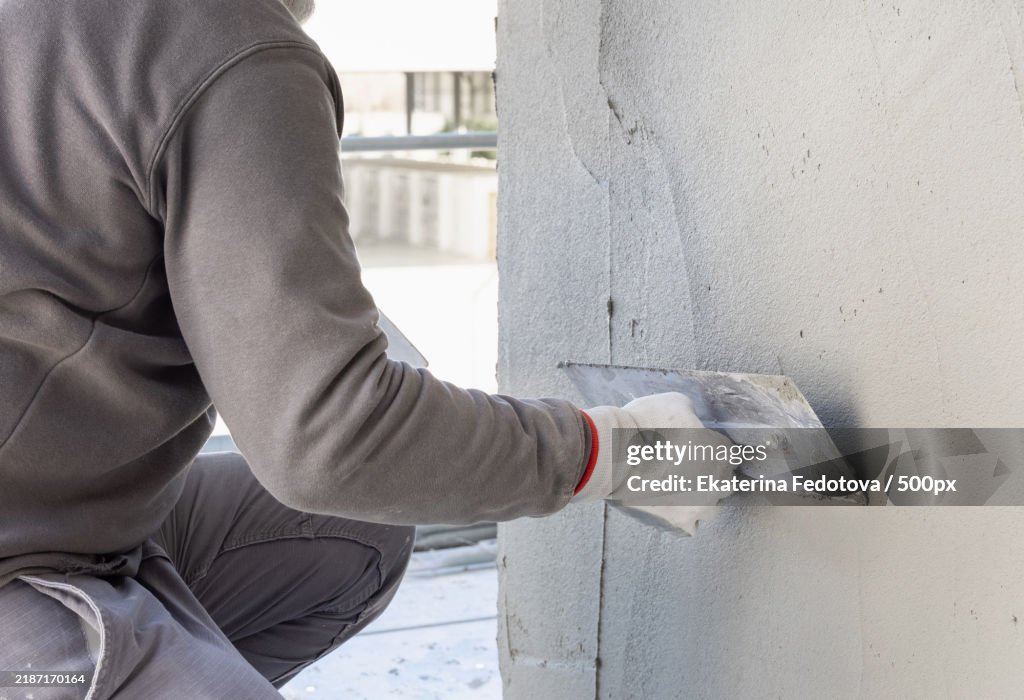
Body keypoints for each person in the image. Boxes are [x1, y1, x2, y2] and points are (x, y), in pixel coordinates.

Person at [0, 0, 721, 696]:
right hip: (19, 576)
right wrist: (608, 452)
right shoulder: (222, 39)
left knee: (350, 532)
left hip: (58, 518)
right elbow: (331, 438)